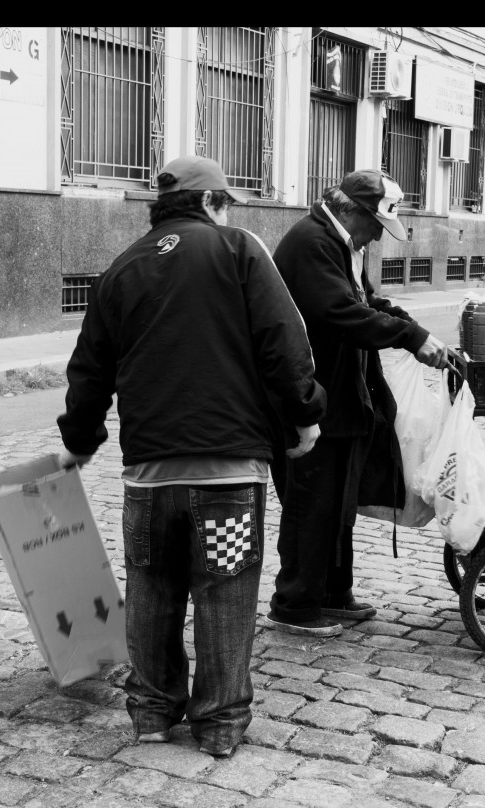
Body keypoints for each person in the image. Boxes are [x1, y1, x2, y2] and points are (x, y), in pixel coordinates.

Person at [57, 156, 326, 759]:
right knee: (225, 593)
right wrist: (305, 414)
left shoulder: (121, 269)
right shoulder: (238, 252)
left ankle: (151, 713)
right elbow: (284, 343)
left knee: (152, 591)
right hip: (229, 472)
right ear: (212, 203)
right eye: (226, 203)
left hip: (149, 478)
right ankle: (221, 723)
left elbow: (89, 371)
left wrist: (79, 442)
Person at [260, 169, 450, 638]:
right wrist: (407, 337)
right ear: (348, 209)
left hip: (342, 397)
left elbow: (362, 300)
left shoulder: (344, 242)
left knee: (338, 504)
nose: (376, 237)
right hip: (308, 398)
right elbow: (336, 312)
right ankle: (295, 606)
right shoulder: (312, 242)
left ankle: (332, 593)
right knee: (311, 505)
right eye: (374, 226)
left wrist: (404, 320)